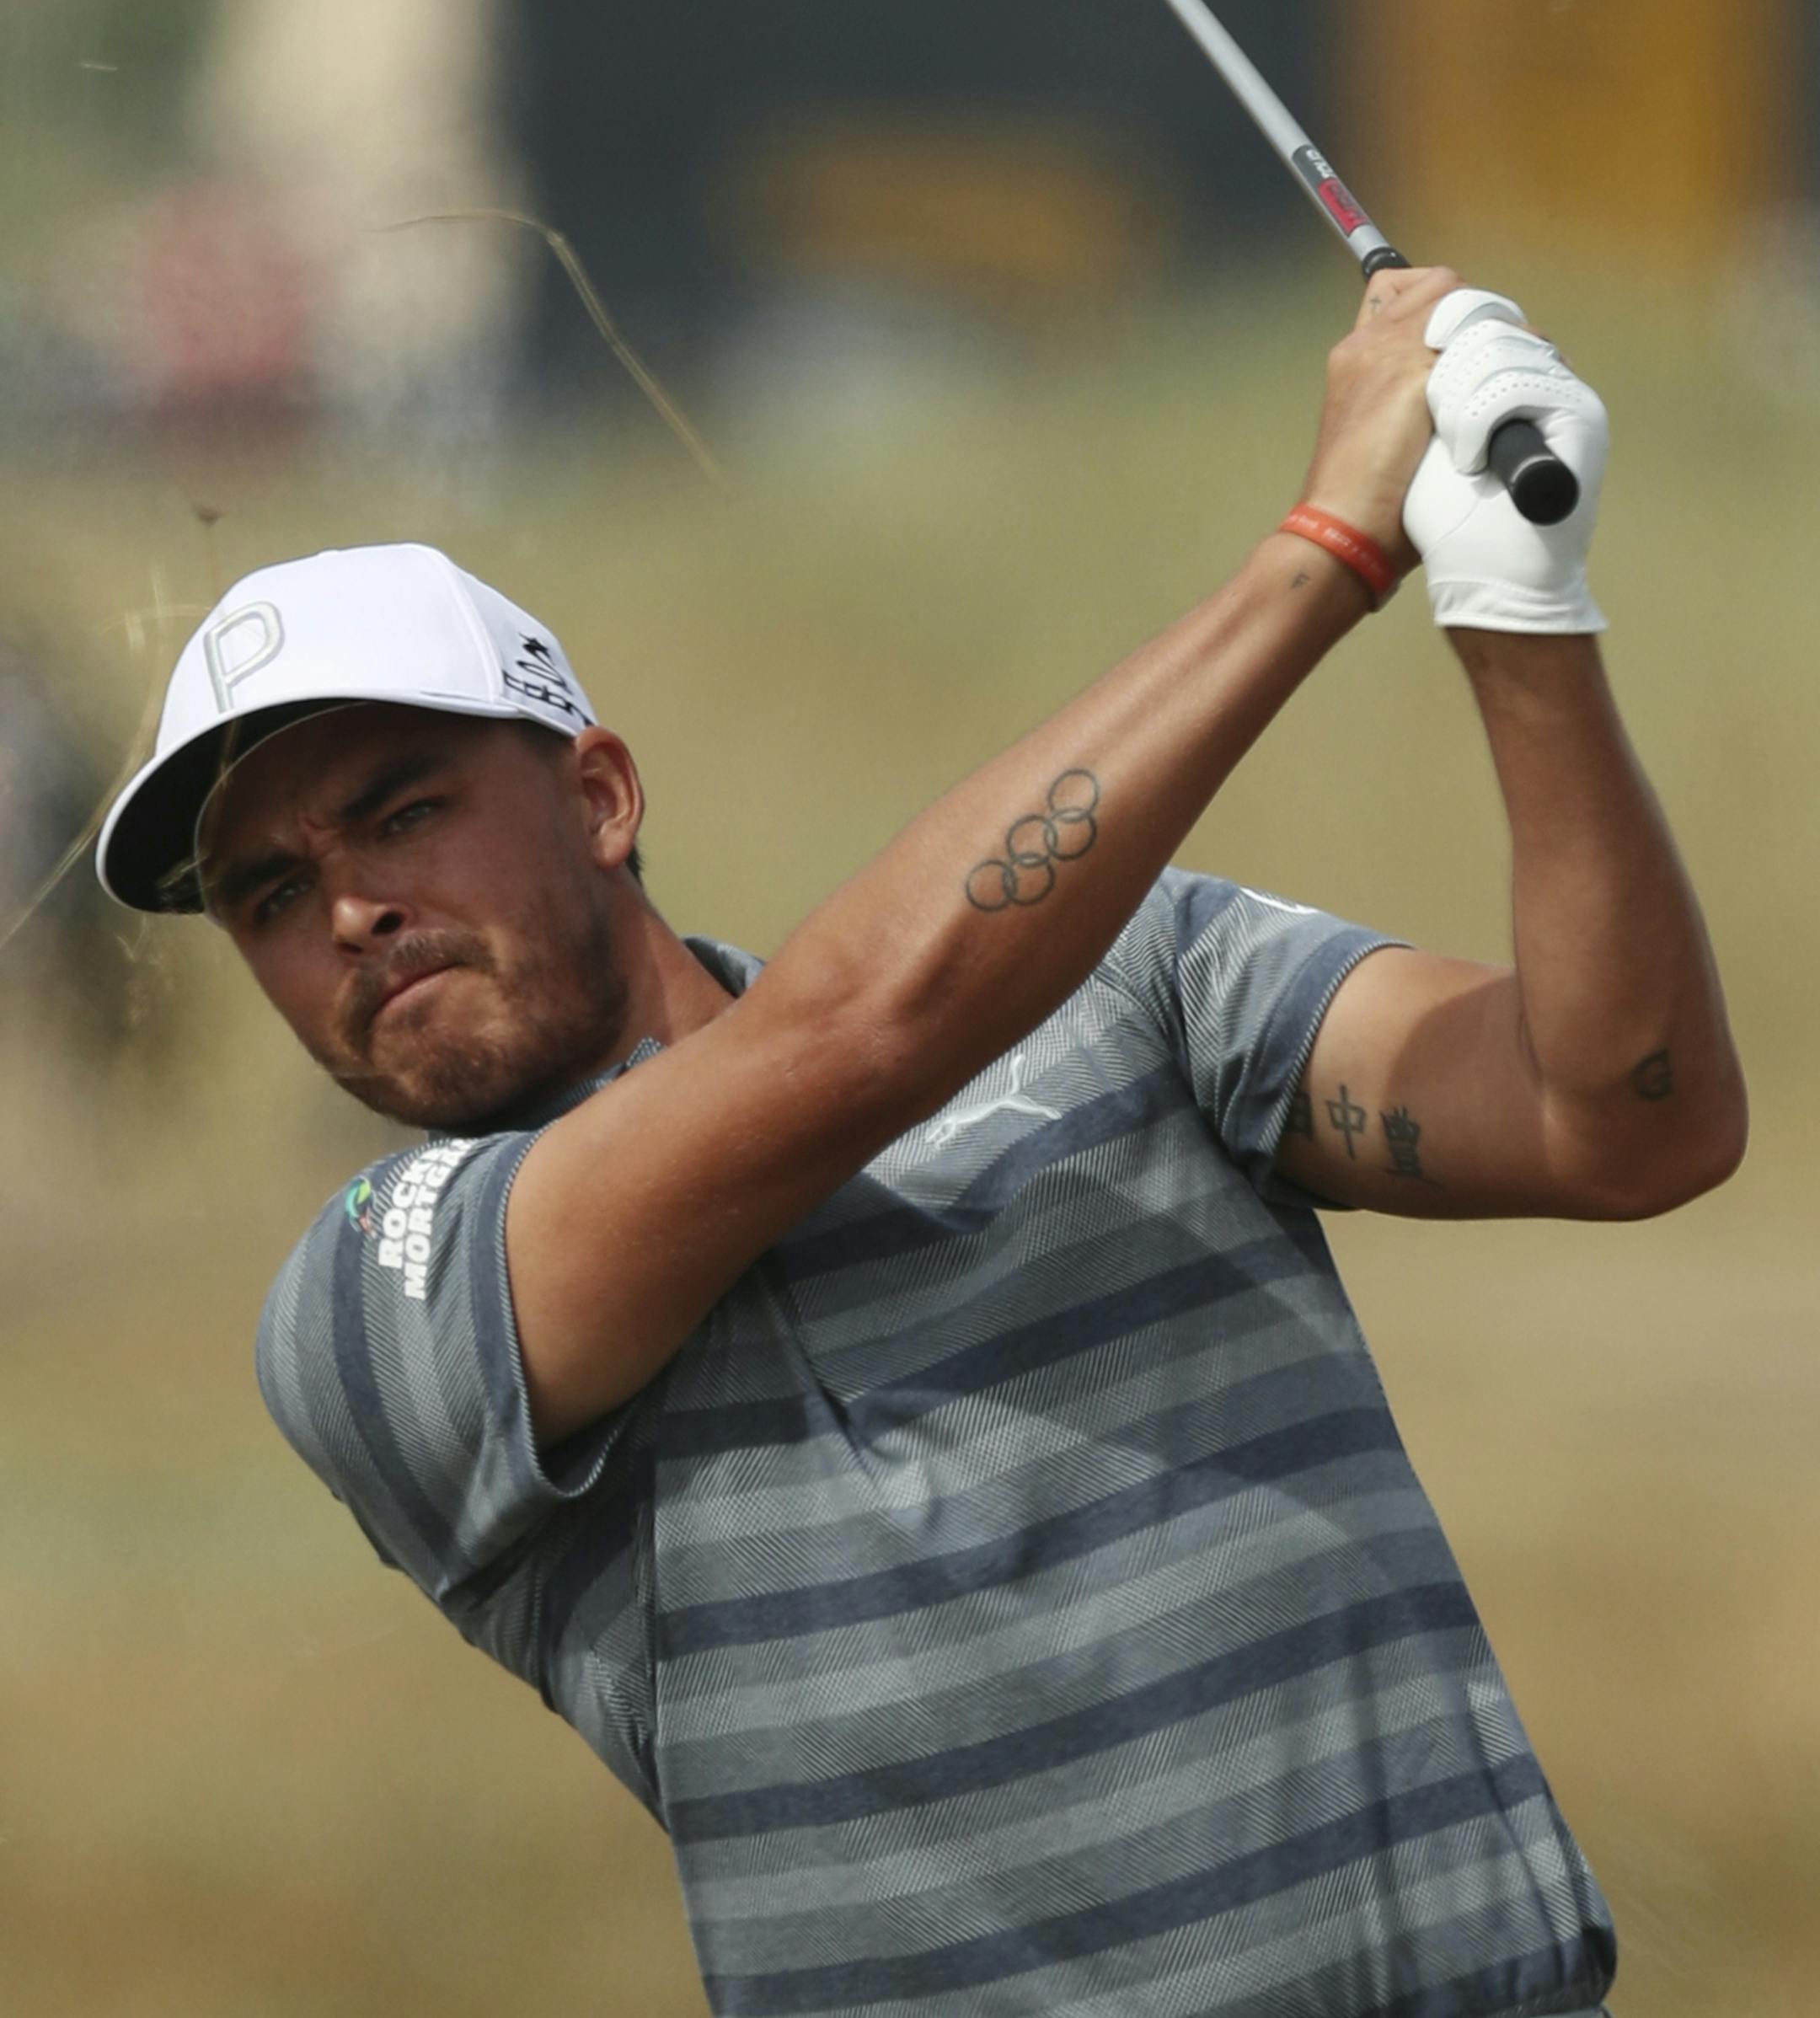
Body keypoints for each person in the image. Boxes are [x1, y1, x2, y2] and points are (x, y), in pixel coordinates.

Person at [96, 267, 1744, 2018]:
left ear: (597, 798)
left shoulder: (1133, 974)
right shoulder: (376, 1297)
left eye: (401, 812)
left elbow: (1623, 1120)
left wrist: (1519, 611)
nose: (348, 908)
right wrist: (1328, 551)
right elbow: (856, 1040)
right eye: (269, 896)